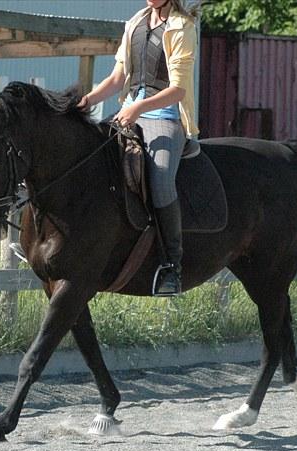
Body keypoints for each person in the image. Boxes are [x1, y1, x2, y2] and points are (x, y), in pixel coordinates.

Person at [78, 0, 199, 296]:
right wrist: (86, 101)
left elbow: (178, 90)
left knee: (160, 179)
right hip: (128, 112)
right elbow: (117, 79)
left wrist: (138, 109)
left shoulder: (183, 27)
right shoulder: (135, 23)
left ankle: (172, 264)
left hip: (166, 117)